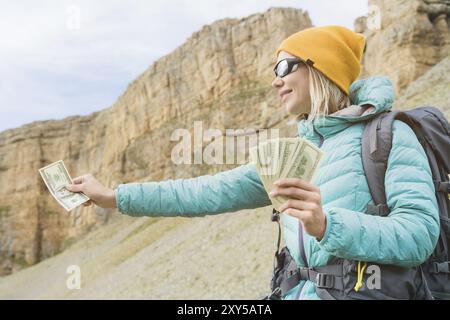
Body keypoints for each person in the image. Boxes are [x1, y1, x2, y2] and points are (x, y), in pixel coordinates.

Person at [66, 26, 440, 300]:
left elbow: (419, 235)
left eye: (283, 68)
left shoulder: (390, 135)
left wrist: (327, 224)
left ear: (320, 68)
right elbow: (206, 192)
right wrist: (114, 196)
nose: (275, 82)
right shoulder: (295, 154)